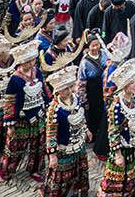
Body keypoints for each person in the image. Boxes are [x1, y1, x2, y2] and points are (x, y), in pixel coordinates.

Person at [100, 59, 135, 195]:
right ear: (125, 86)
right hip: (125, 149)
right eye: (132, 83)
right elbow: (113, 131)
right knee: (122, 181)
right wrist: (118, 155)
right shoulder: (117, 106)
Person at [0, 40, 48, 182]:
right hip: (21, 118)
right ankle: (6, 168)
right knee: (15, 146)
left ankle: (35, 169)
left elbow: (44, 89)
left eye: (32, 60)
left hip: (38, 115)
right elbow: (10, 101)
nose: (30, 64)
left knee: (38, 145)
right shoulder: (15, 79)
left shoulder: (37, 72)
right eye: (27, 62)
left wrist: (50, 103)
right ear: (20, 62)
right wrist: (9, 123)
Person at [43, 66, 90, 197]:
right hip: (64, 148)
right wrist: (52, 155)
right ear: (58, 90)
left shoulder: (76, 99)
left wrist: (86, 130)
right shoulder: (54, 108)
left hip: (79, 144)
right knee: (61, 177)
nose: (69, 91)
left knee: (80, 170)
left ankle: (77, 191)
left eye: (70, 87)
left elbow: (81, 117)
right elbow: (50, 133)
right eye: (65, 89)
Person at [76, 31, 107, 143]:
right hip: (92, 91)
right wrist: (82, 98)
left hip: (103, 87)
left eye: (97, 44)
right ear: (88, 46)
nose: (96, 47)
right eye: (93, 45)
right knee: (94, 113)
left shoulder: (104, 53)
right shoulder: (85, 62)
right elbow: (81, 81)